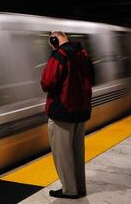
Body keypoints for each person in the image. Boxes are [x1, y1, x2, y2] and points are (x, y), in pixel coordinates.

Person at [41, 31, 95, 199]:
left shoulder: (59, 56)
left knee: (63, 153)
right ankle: (80, 188)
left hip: (62, 112)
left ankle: (69, 190)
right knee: (78, 152)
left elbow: (47, 82)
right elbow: (92, 78)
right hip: (81, 111)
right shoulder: (83, 54)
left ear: (54, 39)